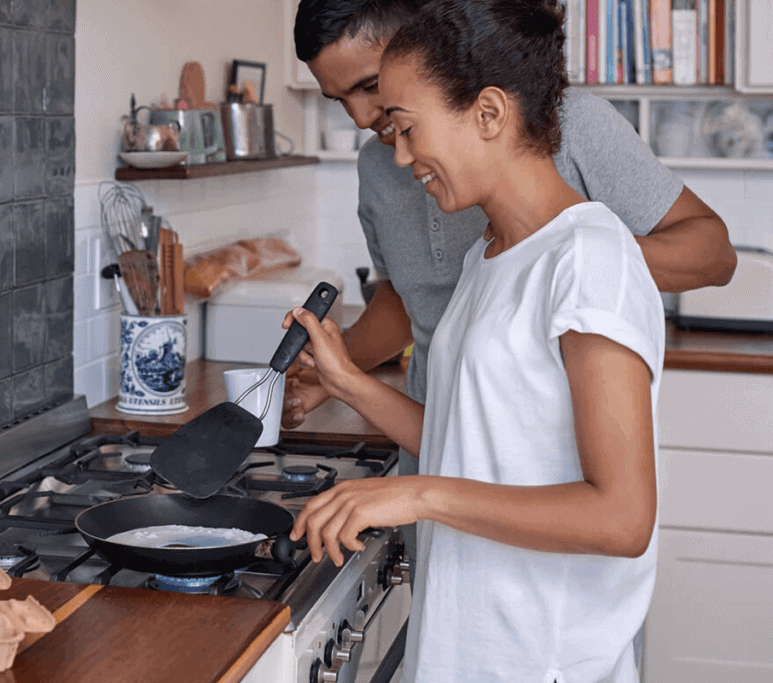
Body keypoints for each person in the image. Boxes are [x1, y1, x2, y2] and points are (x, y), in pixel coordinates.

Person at [286, 1, 666, 680]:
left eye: (407, 128)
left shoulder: (589, 259)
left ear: (488, 113)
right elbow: (466, 442)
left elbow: (622, 517)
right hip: (466, 645)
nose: (400, 155)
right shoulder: (488, 258)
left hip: (541, 660)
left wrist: (417, 495)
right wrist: (346, 381)